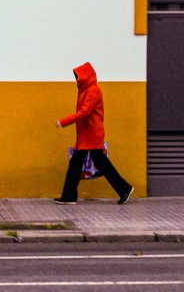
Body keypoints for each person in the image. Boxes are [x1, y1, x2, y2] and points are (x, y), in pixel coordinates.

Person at [54, 61, 134, 205]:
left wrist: (64, 121)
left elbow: (84, 112)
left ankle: (123, 189)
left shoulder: (93, 91)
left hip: (91, 135)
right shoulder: (86, 90)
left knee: (89, 164)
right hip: (88, 135)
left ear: (85, 77)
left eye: (78, 77)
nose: (77, 80)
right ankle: (70, 195)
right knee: (81, 164)